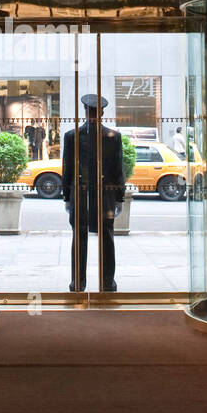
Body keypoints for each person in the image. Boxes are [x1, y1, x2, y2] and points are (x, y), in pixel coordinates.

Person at [62, 94, 124, 291]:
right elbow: (118, 170)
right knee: (106, 238)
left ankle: (78, 283)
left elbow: (68, 169)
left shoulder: (73, 136)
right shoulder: (112, 137)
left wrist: (66, 196)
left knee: (80, 239)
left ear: (86, 112)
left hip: (81, 195)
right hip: (102, 195)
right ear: (102, 113)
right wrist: (119, 197)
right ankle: (106, 283)